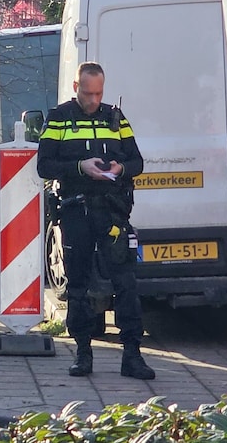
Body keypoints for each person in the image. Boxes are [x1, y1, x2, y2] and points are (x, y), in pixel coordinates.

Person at [36, 61, 155, 380]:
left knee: (126, 283)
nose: (93, 100)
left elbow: (137, 162)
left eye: (98, 93)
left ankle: (132, 354)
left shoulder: (115, 117)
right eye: (87, 93)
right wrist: (80, 167)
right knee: (78, 285)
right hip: (76, 210)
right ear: (76, 88)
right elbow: (44, 166)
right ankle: (83, 353)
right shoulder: (59, 118)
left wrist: (119, 169)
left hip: (112, 211)